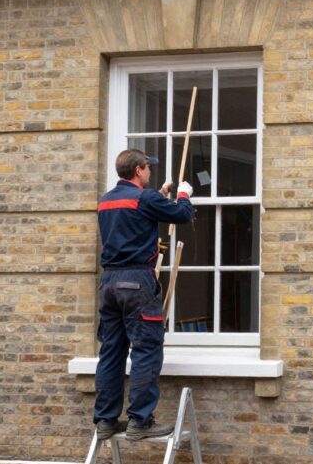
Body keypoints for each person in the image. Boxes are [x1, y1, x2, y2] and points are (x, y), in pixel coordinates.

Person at [93, 149, 194, 441]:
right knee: (146, 349)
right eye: (148, 167)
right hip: (137, 281)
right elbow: (182, 215)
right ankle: (140, 421)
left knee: (111, 352)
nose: (150, 171)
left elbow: (132, 221)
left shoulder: (106, 200)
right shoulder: (145, 199)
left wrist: (159, 196)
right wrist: (183, 194)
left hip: (109, 283)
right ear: (138, 170)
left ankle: (106, 421)